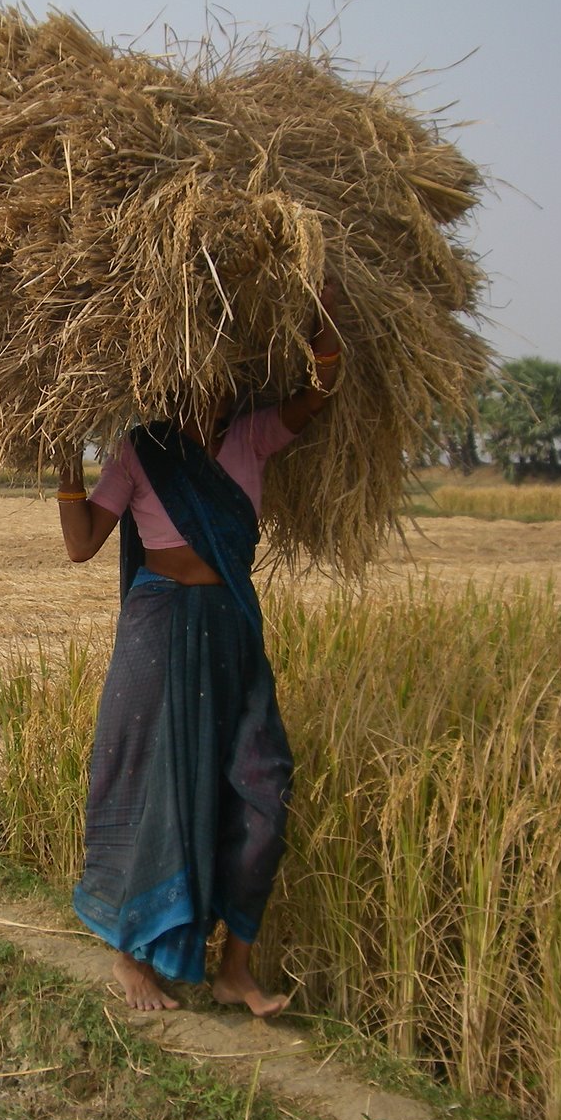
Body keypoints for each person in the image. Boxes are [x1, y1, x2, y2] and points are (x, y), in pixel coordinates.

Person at [55, 286, 342, 1014]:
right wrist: (62, 461)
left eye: (224, 379)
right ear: (176, 376)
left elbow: (319, 393)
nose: (212, 392)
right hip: (158, 629)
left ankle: (235, 967)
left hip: (230, 626)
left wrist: (322, 316)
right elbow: (83, 543)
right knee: (151, 778)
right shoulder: (142, 449)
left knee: (265, 780)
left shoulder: (252, 437)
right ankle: (132, 955)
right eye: (199, 377)